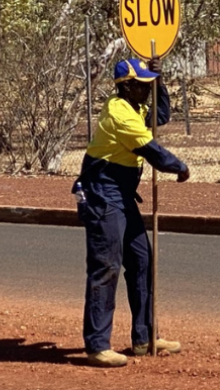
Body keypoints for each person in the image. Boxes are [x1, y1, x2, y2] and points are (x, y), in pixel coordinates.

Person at [73, 57, 190, 368]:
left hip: (123, 195)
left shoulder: (135, 107)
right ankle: (97, 345)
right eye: (143, 85)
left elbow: (161, 115)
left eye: (148, 84)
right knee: (106, 267)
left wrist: (160, 82)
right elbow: (154, 153)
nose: (147, 90)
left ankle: (144, 338)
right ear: (126, 86)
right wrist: (180, 168)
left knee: (141, 260)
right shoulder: (119, 114)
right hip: (102, 194)